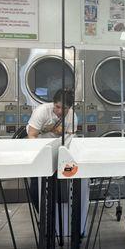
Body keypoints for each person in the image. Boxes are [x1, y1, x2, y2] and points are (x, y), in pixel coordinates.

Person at [27, 89, 89, 235]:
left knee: (57, 186)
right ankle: (43, 217)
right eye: (57, 106)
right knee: (36, 188)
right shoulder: (42, 111)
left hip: (59, 152)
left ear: (70, 108)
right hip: (39, 150)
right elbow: (31, 136)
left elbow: (70, 141)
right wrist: (41, 158)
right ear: (53, 104)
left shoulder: (71, 117)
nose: (60, 111)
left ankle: (62, 220)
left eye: (64, 108)